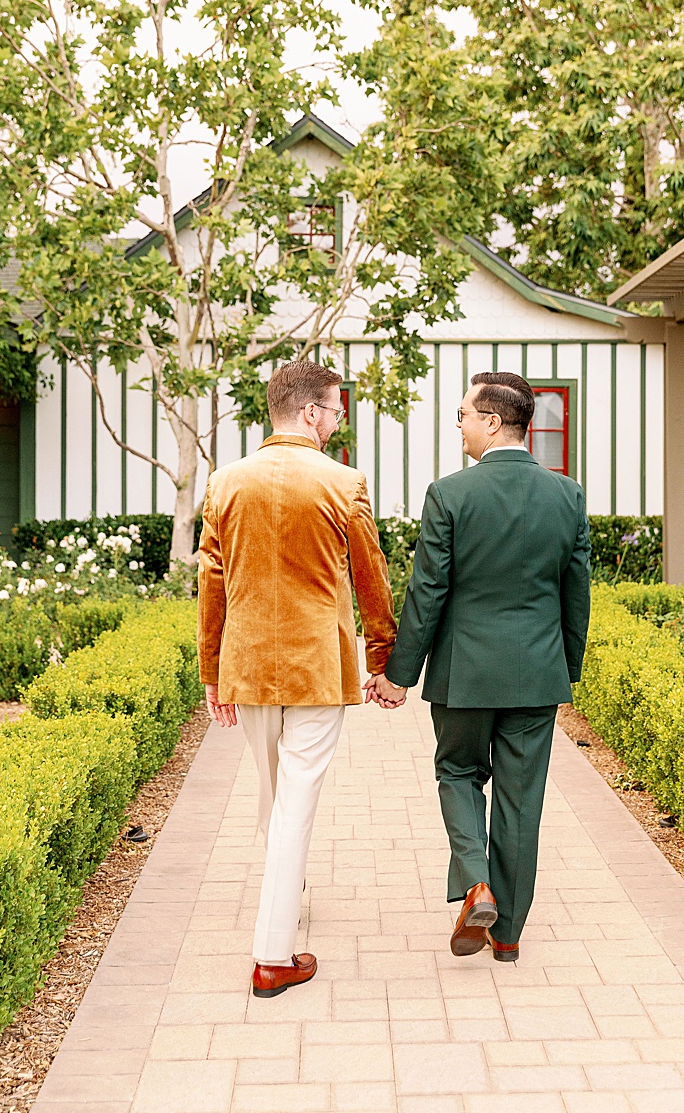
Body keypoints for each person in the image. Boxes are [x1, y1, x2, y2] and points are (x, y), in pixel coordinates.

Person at [369, 371, 591, 962]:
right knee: (522, 801)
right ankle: (509, 935)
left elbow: (427, 592)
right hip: (537, 675)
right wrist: (564, 668)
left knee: (459, 773)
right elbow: (577, 594)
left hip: (463, 674)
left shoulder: (450, 494)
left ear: (494, 422)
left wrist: (398, 674)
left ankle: (477, 884)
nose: (460, 425)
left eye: (464, 415)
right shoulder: (567, 496)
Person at [197, 358, 398, 998]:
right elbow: (371, 575)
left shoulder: (225, 482)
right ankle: (272, 955)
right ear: (311, 411)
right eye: (336, 411)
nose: (337, 422)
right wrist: (383, 653)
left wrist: (212, 670)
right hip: (316, 665)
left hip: (248, 666)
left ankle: (291, 891)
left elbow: (213, 581)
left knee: (273, 796)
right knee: (295, 806)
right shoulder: (345, 482)